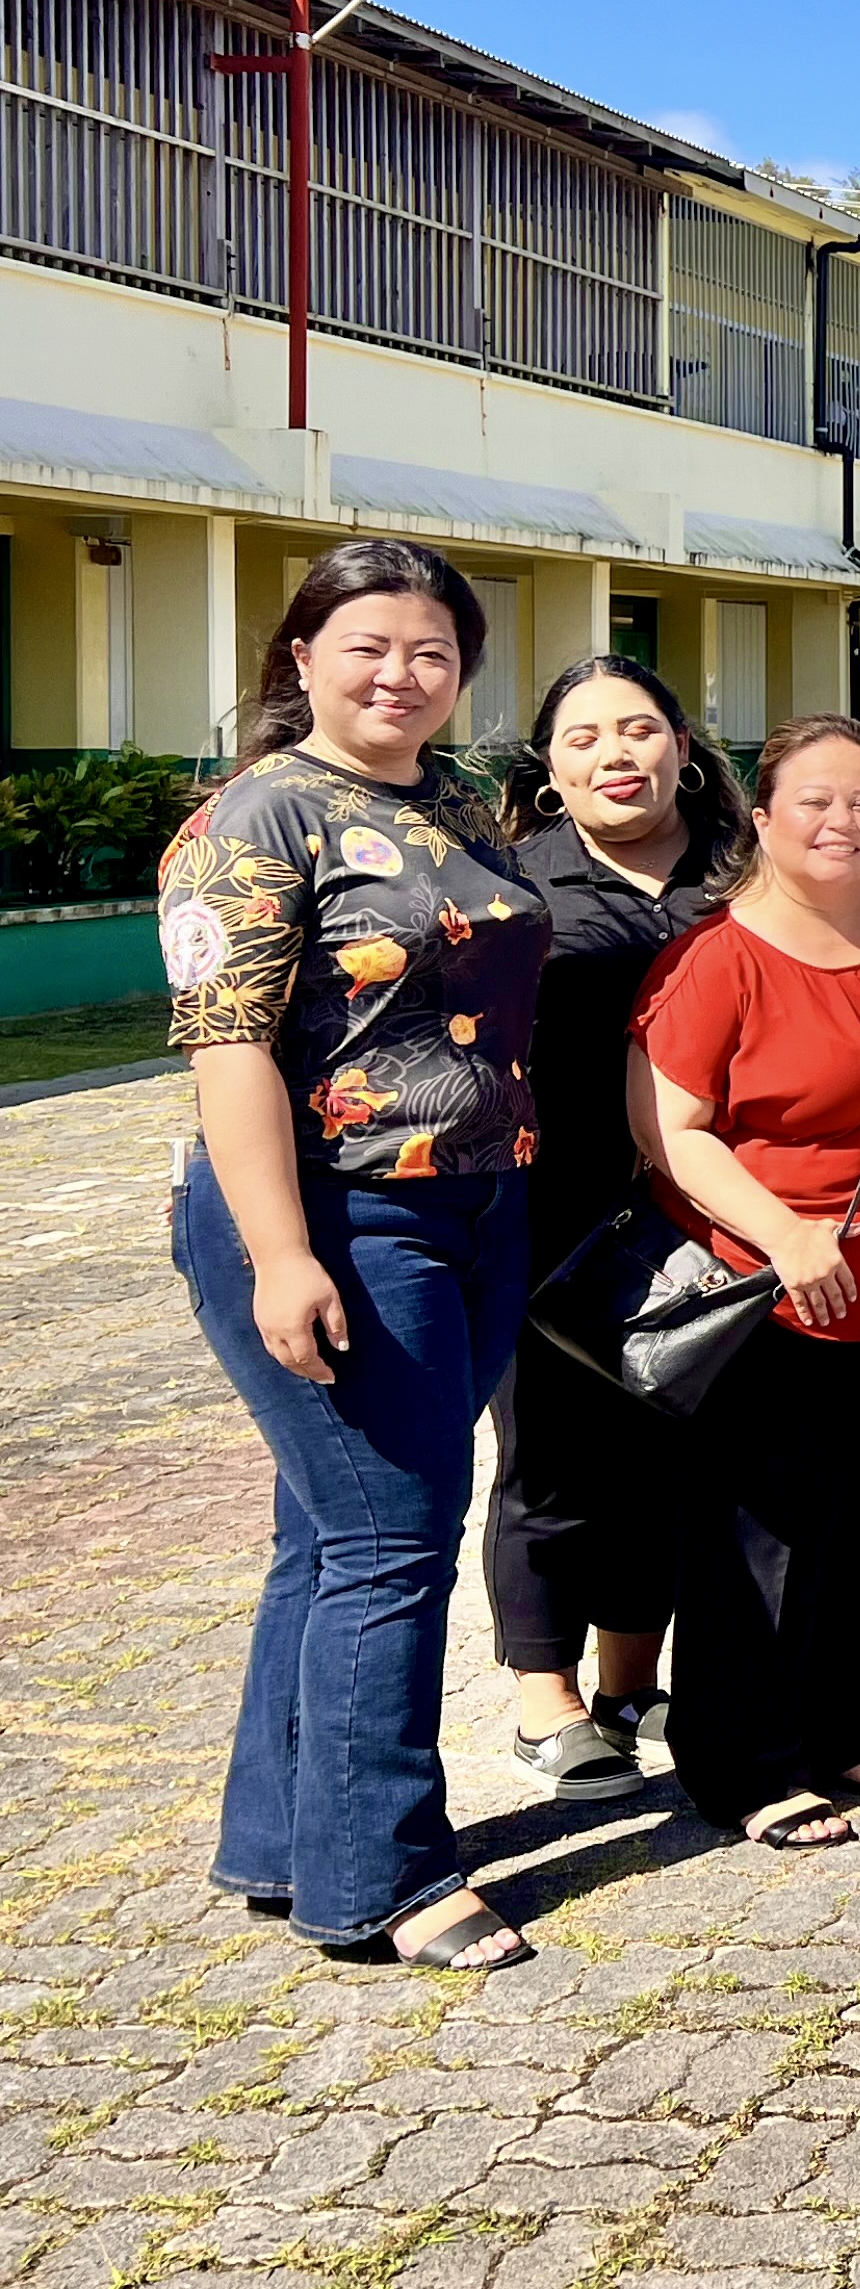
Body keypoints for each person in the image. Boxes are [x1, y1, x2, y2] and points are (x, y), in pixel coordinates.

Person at [160, 540, 547, 1970]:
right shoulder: (254, 821)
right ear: (305, 658)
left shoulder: (453, 801)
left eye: (433, 652)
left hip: (476, 1207)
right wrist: (278, 1254)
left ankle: (280, 1836)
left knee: (324, 1538)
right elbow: (228, 1056)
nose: (403, 674)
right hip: (339, 1213)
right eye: (370, 646)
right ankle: (379, 1876)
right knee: (393, 1536)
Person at [630, 717, 860, 1848]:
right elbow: (669, 1129)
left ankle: (846, 1731)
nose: (842, 823)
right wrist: (786, 1236)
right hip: (769, 1299)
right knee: (753, 1543)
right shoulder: (717, 958)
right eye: (813, 801)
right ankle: (744, 1766)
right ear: (762, 819)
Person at [482, 657, 741, 1803]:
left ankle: (634, 1682)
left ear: (684, 746)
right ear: (550, 768)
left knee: (668, 1446)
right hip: (552, 1210)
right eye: (583, 738)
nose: (616, 755)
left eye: (640, 729)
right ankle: (551, 1702)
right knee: (549, 1453)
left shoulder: (747, 875)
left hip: (714, 1214)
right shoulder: (505, 887)